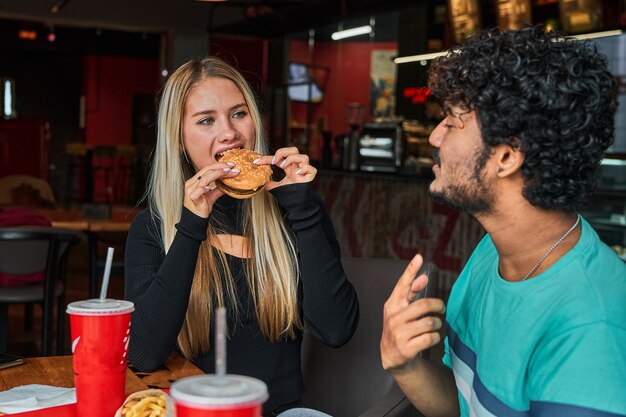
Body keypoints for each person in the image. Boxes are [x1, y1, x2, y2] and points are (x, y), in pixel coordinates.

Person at [380, 26, 626, 417]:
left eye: (451, 120)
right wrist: (405, 366)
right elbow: (463, 407)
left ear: (507, 158)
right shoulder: (491, 253)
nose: (434, 137)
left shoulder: (590, 329)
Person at [124, 56, 359, 416]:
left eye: (239, 113)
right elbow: (143, 353)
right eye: (206, 120)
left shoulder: (293, 213)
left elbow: (336, 330)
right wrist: (191, 226)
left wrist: (302, 208)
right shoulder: (153, 226)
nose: (229, 132)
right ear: (179, 139)